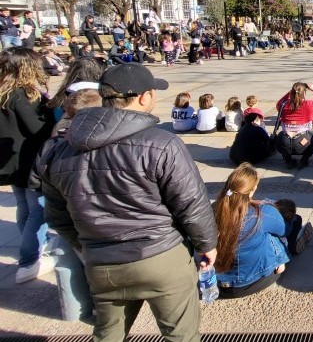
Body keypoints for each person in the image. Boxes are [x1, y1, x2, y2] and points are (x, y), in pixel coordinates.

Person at [37, 63, 217, 341]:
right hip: (160, 255)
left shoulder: (58, 151)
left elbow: (58, 216)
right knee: (181, 334)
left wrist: (87, 245)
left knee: (108, 333)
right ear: (145, 97)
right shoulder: (162, 144)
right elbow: (192, 204)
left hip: (102, 262)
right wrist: (208, 245)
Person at [0, 48, 57, 283]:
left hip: (11, 161)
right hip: (28, 161)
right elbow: (38, 129)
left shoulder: (5, 92)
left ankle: (32, 244)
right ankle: (29, 260)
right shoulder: (22, 95)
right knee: (39, 210)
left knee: (24, 205)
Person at [213, 164, 311, 298]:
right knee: (288, 225)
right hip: (251, 282)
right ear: (252, 190)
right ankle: (284, 255)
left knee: (260, 232)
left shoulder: (214, 210)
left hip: (218, 283)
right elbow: (285, 230)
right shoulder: (260, 213)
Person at [274, 82, 313, 169]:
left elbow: (279, 102)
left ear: (292, 92)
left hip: (284, 143)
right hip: (303, 143)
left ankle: (287, 159)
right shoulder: (309, 105)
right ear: (304, 93)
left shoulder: (283, 105)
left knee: (280, 134)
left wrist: (292, 91)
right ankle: (304, 159)